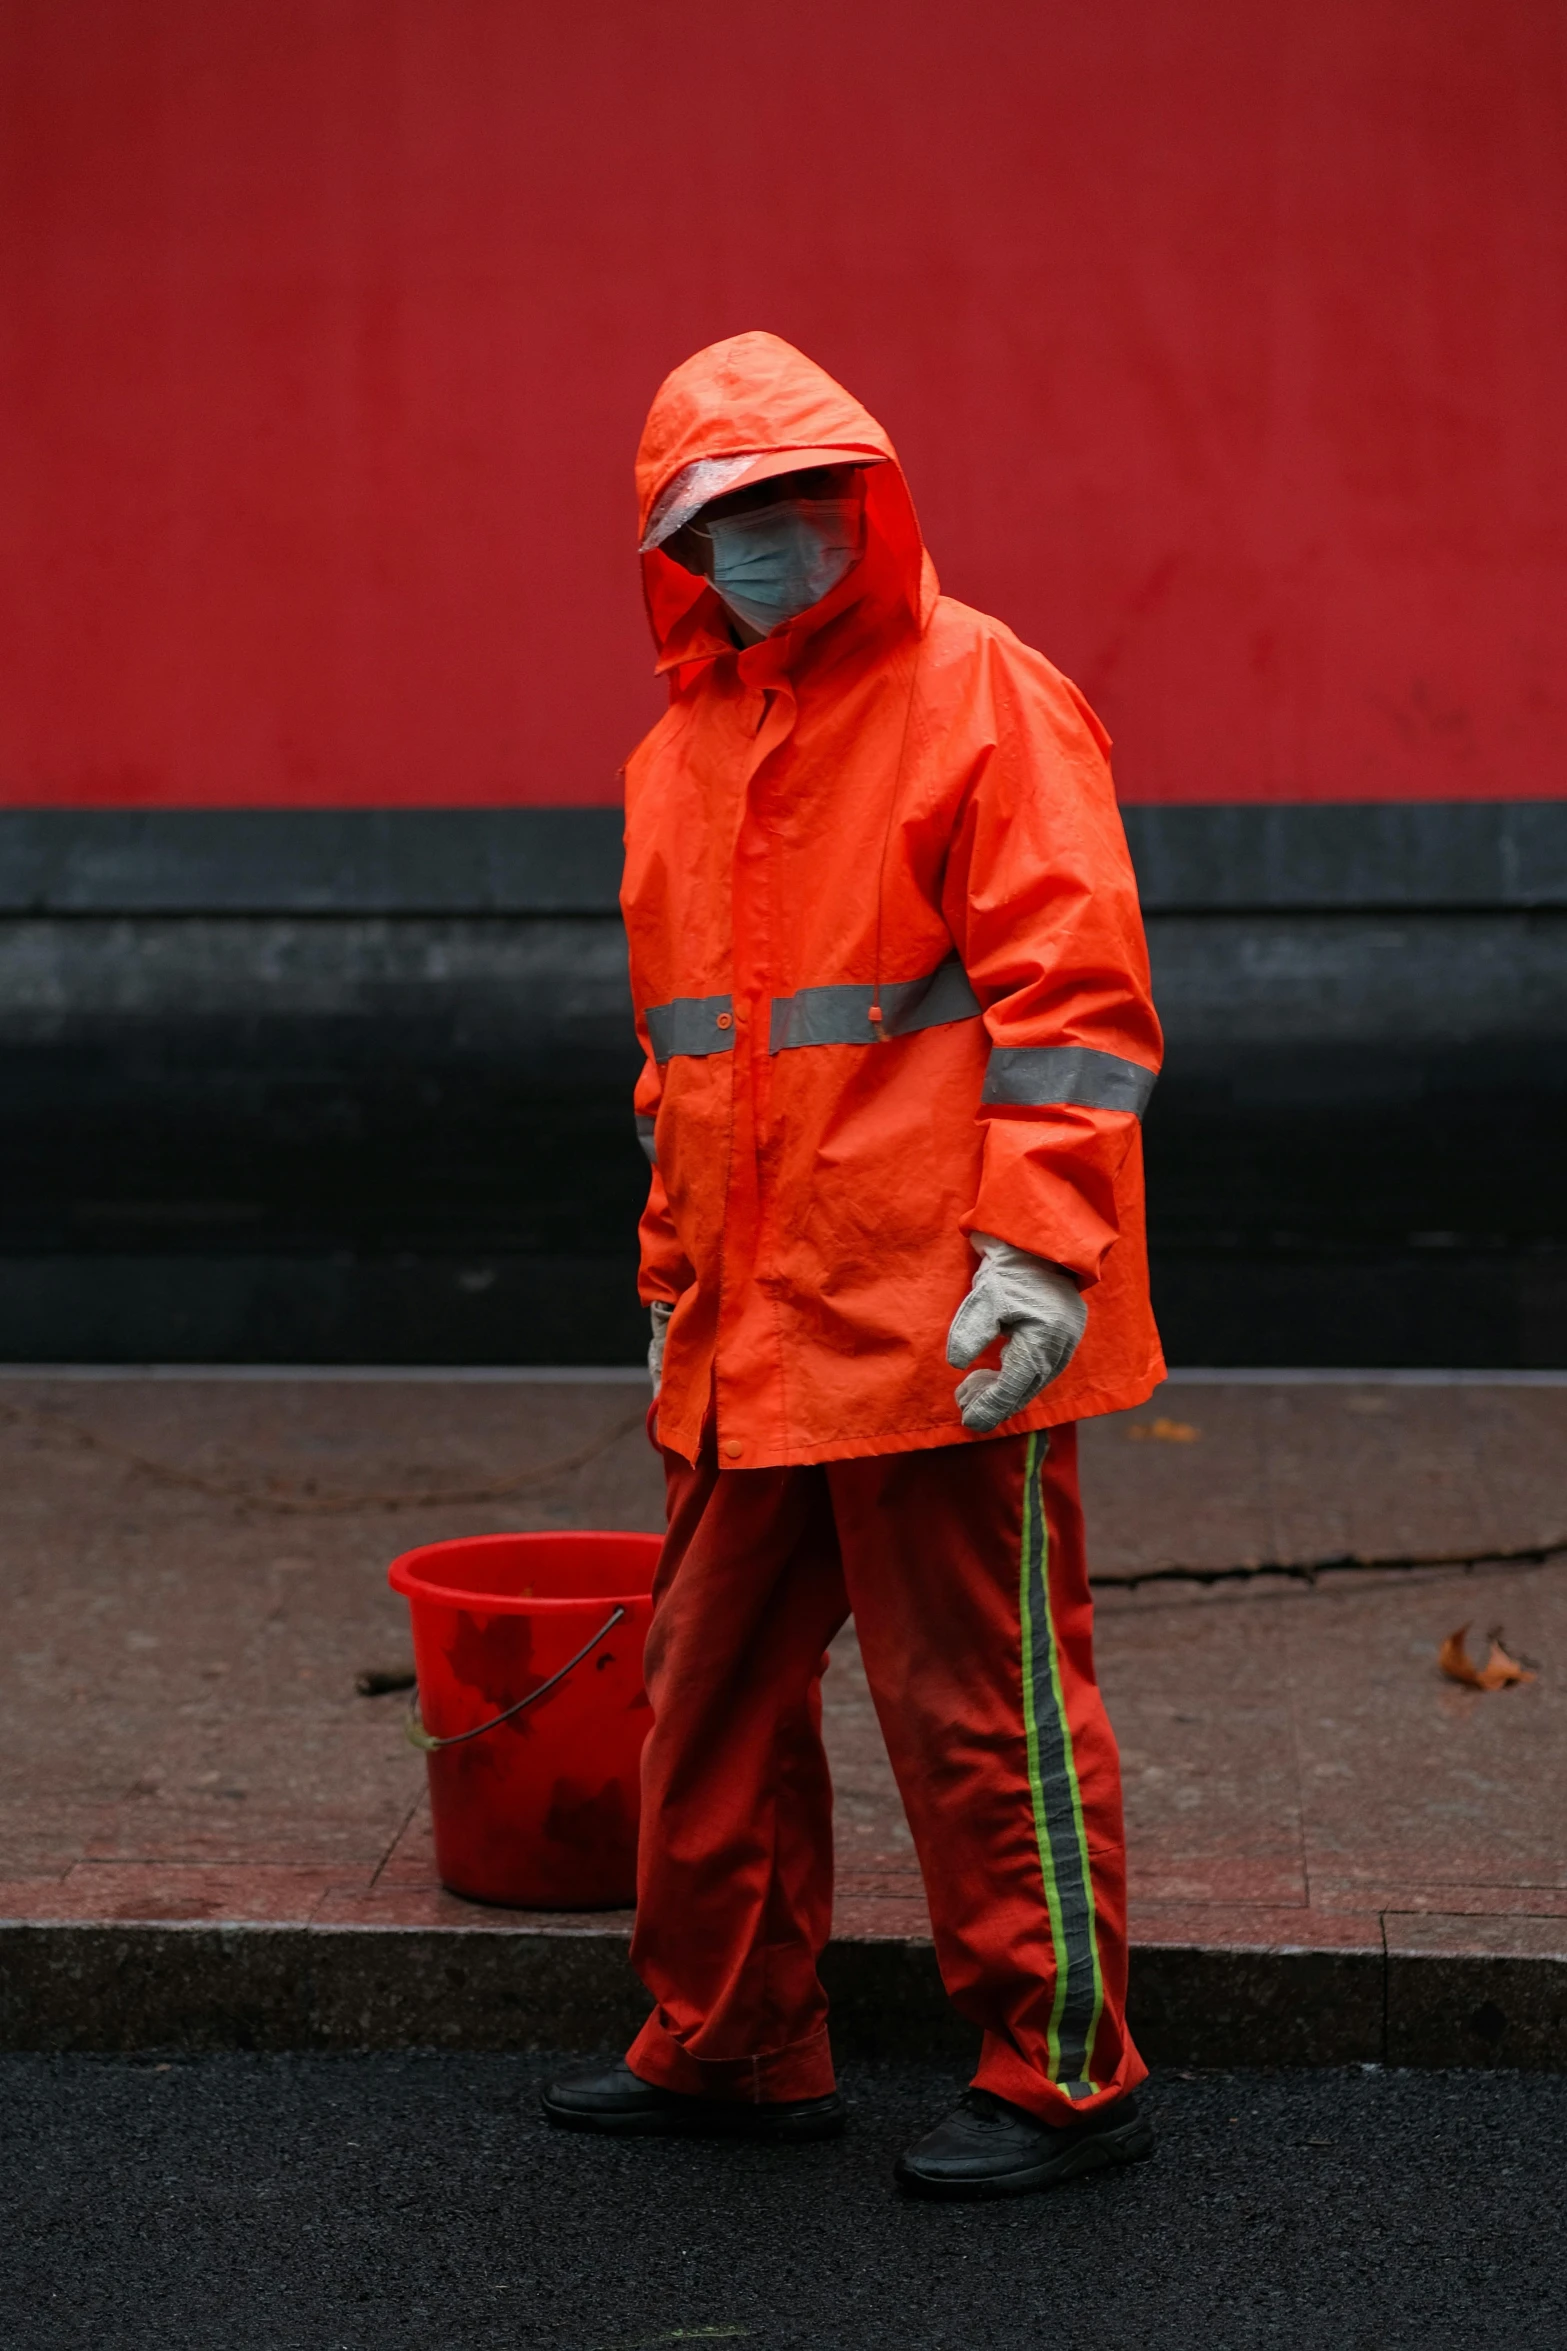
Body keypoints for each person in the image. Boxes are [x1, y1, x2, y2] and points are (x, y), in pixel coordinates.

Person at [543, 332, 1164, 2200]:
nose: (773, 532)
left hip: (940, 1317)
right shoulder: (675, 758)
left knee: (979, 1700)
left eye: (802, 495)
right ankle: (731, 2044)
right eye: (729, 511)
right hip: (751, 1323)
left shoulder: (985, 694)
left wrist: (1038, 1259)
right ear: (675, 542)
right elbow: (683, 1064)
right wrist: (669, 1270)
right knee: (707, 1687)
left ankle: (1064, 2069)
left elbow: (1072, 1007)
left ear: (867, 495)